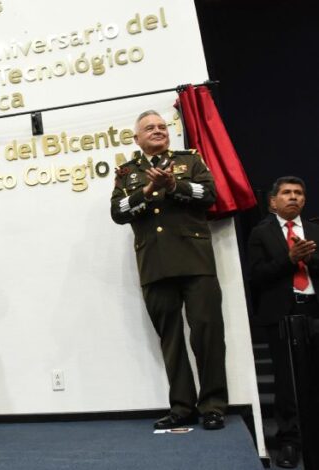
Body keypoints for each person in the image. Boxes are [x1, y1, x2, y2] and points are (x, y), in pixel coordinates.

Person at [110, 110, 228, 431]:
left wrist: (175, 184)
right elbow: (118, 212)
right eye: (150, 128)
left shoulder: (189, 161)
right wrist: (146, 192)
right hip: (155, 265)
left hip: (195, 260)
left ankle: (214, 405)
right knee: (171, 339)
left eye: (162, 126)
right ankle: (181, 407)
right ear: (137, 138)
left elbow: (210, 194)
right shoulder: (128, 172)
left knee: (207, 333)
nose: (158, 131)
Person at [248, 176, 319, 468]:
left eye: (299, 193)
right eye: (287, 193)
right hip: (282, 316)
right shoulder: (260, 233)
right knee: (287, 384)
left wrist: (309, 259)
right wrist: (289, 260)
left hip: (314, 310)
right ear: (273, 201)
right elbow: (257, 276)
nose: (294, 197)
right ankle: (290, 442)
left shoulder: (315, 229)